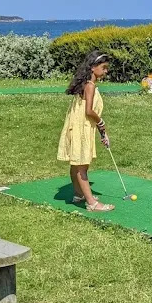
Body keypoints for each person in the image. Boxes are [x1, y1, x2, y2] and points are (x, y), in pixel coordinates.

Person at [57, 50, 114, 212]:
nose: (106, 71)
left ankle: (78, 194)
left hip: (80, 126)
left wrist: (101, 130)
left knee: (77, 163)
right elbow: (89, 111)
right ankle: (91, 203)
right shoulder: (90, 86)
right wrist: (101, 122)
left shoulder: (85, 84)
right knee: (81, 166)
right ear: (93, 67)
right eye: (103, 68)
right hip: (81, 128)